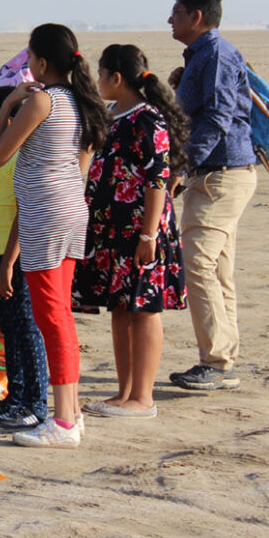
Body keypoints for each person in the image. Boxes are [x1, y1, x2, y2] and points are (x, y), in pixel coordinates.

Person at [0, 24, 108, 448]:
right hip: (71, 212)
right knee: (61, 316)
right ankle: (69, 412)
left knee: (50, 316)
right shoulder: (81, 101)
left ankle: (62, 422)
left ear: (40, 62)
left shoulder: (43, 101)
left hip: (47, 218)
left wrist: (9, 107)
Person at [75, 45, 189, 418]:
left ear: (116, 78)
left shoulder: (148, 119)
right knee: (121, 309)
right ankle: (123, 392)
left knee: (144, 309)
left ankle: (143, 397)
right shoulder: (113, 114)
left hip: (141, 230)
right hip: (112, 230)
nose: (98, 81)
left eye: (101, 73)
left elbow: (158, 180)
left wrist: (148, 235)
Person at [166, 0, 256, 391]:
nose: (170, 20)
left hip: (220, 175)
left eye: (176, 13)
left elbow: (218, 118)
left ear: (196, 17)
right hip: (221, 174)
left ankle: (218, 362)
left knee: (198, 264)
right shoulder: (203, 57)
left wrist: (180, 168)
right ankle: (224, 359)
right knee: (217, 271)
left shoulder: (215, 55)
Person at [0, 86, 49, 430]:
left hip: (13, 258)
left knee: (26, 328)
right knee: (10, 328)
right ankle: (14, 398)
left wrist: (6, 265)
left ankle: (35, 402)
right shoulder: (7, 154)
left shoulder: (21, 155)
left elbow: (24, 211)